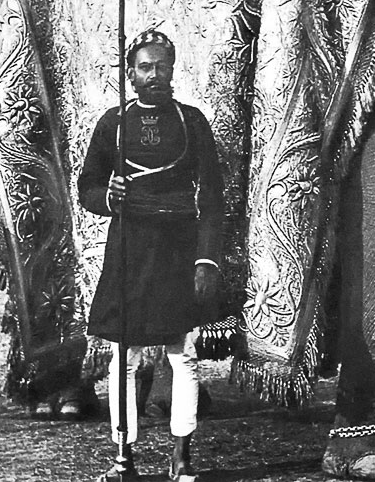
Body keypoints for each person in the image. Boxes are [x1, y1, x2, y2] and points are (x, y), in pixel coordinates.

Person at [78, 30, 224, 481]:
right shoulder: (113, 123)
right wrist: (110, 195)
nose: (154, 75)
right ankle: (124, 456)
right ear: (131, 73)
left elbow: (214, 197)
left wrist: (206, 260)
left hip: (179, 247)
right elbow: (87, 188)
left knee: (184, 355)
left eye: (162, 66)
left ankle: (181, 457)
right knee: (125, 357)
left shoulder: (192, 122)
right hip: (129, 248)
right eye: (145, 67)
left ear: (173, 70)